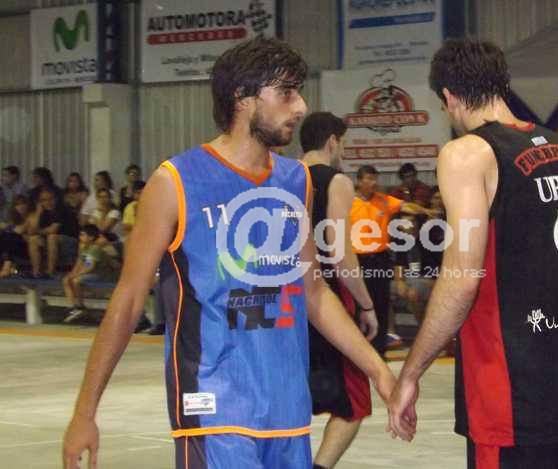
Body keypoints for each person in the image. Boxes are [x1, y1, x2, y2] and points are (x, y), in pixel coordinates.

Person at [62, 37, 395, 469]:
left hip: (287, 411)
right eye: (286, 93)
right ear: (243, 97)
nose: (300, 106)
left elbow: (313, 293)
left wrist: (377, 369)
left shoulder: (296, 181)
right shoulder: (176, 181)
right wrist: (84, 412)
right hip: (213, 408)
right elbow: (127, 302)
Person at [387, 38, 558, 469]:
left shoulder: (468, 154)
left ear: (449, 97)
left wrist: (410, 373)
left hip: (508, 398)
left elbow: (462, 279)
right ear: (502, 84)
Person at [300, 111, 379, 469]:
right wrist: (365, 304)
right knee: (355, 401)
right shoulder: (335, 181)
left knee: (291, 397)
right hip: (324, 297)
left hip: (281, 299)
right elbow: (340, 253)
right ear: (332, 141)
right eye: (343, 143)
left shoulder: (280, 176)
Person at [350, 164, 431, 356]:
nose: (373, 183)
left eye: (375, 179)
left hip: (380, 258)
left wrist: (426, 211)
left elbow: (406, 206)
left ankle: (380, 348)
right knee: (360, 303)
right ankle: (360, 349)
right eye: (369, 179)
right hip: (358, 260)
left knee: (381, 302)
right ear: (359, 181)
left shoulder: (384, 200)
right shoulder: (349, 202)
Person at [63, 224, 117, 323]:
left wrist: (77, 275)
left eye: (83, 235)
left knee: (76, 280)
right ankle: (73, 307)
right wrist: (73, 273)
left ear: (91, 237)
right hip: (91, 273)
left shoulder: (94, 249)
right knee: (66, 280)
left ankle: (80, 306)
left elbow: (90, 266)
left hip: (100, 275)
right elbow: (80, 262)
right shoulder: (85, 248)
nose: (80, 237)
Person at [27, 188, 79, 278]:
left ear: (56, 199)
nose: (47, 202)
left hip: (70, 241)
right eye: (44, 200)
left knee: (52, 237)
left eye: (50, 199)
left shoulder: (62, 209)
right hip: (52, 240)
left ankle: (50, 272)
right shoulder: (43, 212)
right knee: (33, 239)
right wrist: (38, 213)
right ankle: (36, 272)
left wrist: (38, 231)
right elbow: (31, 231)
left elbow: (53, 229)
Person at [0, 195, 32, 277]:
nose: (21, 206)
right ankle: (7, 267)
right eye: (18, 205)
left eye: (23, 204)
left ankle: (6, 268)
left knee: (9, 235)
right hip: (14, 246)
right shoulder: (13, 218)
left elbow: (21, 230)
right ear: (14, 207)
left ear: (27, 205)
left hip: (28, 247)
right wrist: (12, 228)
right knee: (6, 236)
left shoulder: (31, 217)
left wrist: (7, 227)